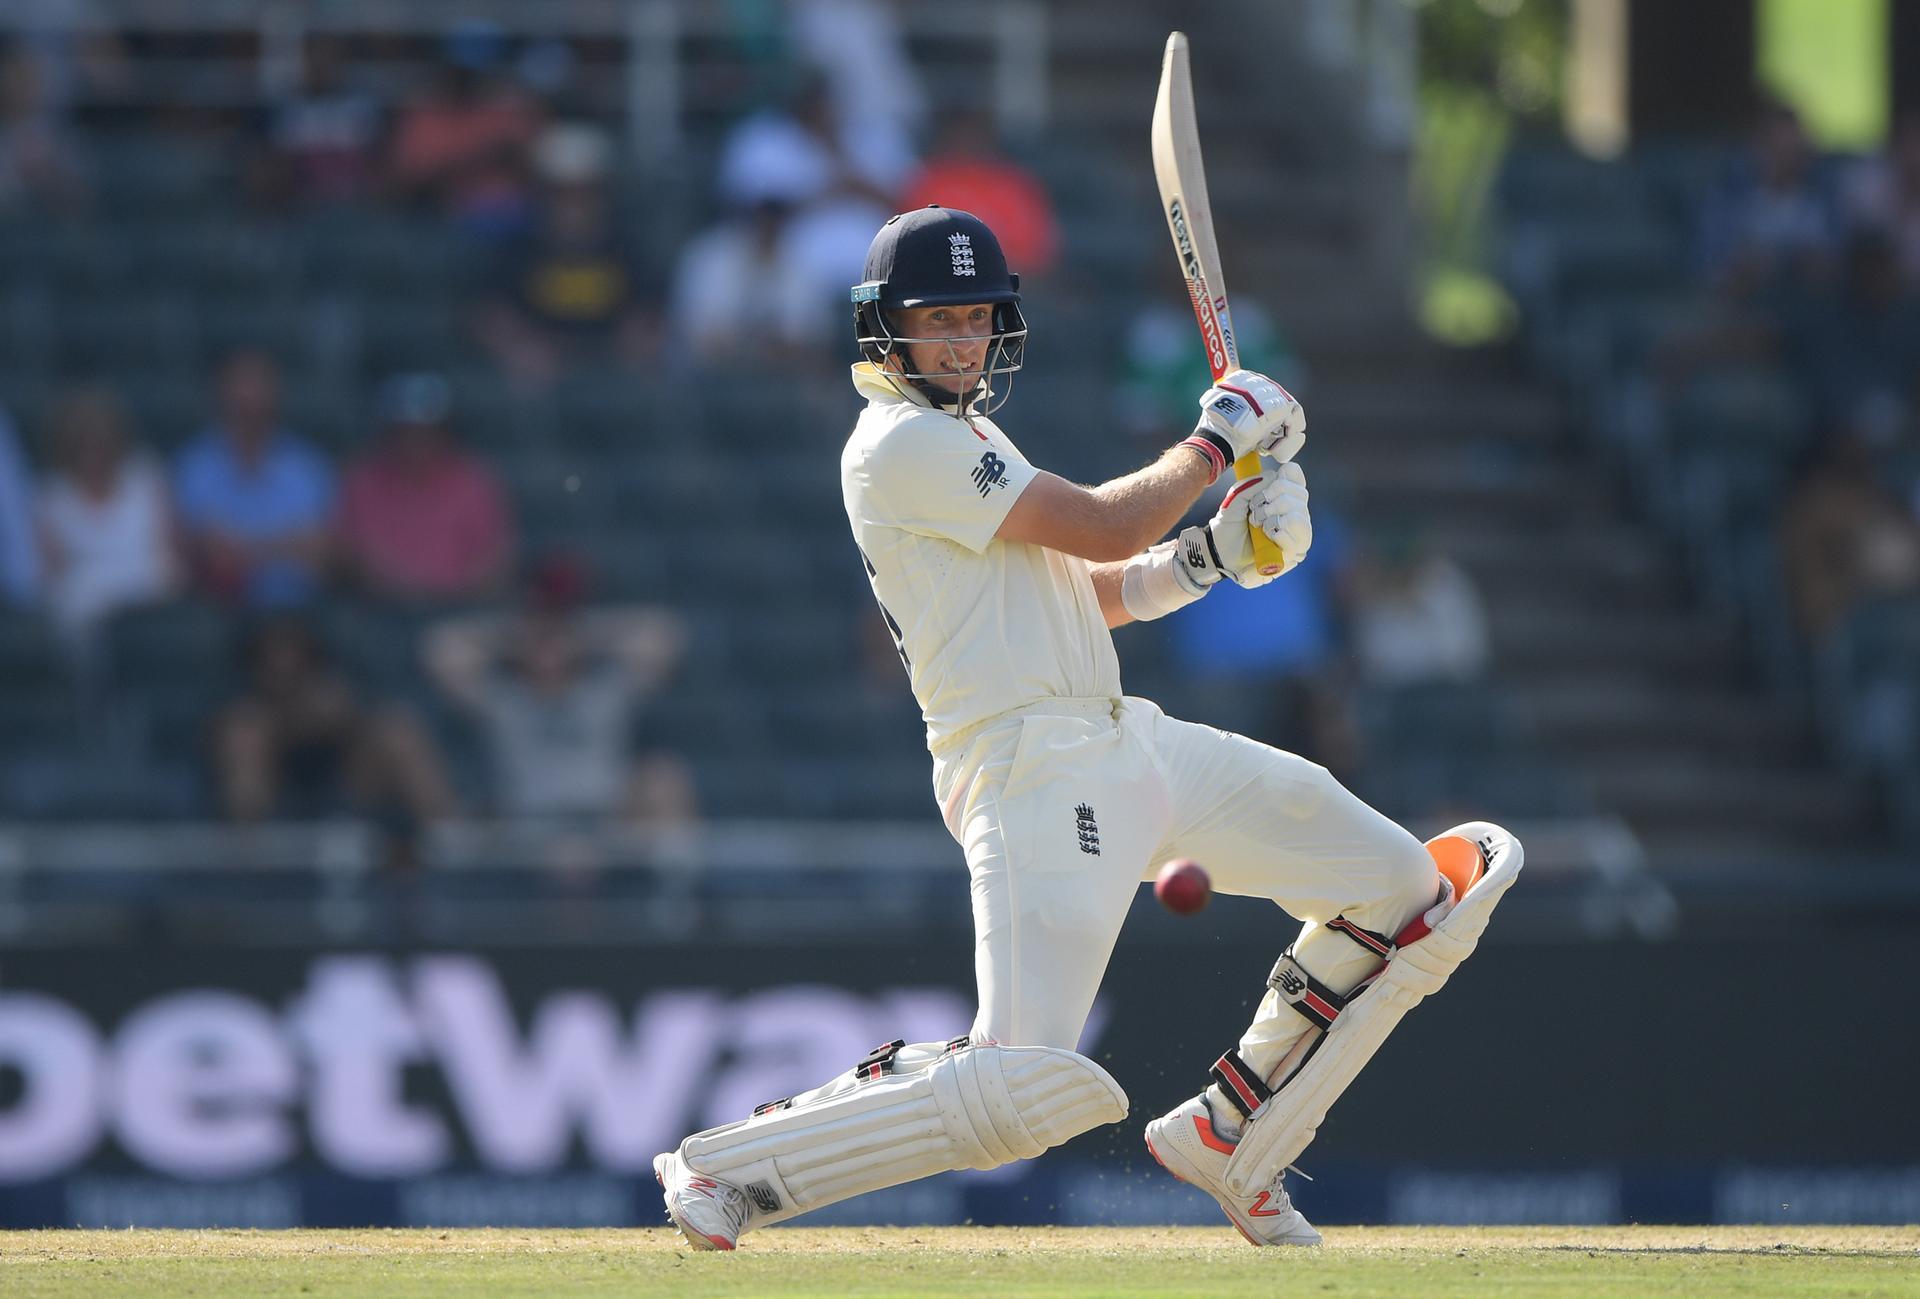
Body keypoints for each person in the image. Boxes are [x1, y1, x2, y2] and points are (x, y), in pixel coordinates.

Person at [652, 206, 1525, 1249]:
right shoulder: (897, 446)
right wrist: (1215, 442)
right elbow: (1109, 521)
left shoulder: (968, 431)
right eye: (941, 320)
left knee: (1409, 892)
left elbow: (1081, 591)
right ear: (885, 327)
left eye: (978, 319)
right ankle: (725, 1169)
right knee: (1023, 1088)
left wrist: (1212, 559)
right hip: (1026, 770)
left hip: (1123, 738)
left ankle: (1234, 1132)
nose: (965, 340)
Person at [421, 558, 696, 825]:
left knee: (664, 777)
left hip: (604, 824)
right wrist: (520, 635)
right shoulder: (503, 698)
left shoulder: (603, 691)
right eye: (541, 624)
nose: (549, 642)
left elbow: (665, 634)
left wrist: (578, 633)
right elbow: (442, 646)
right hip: (529, 825)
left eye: (558, 626)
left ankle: (681, 873)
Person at [213, 614, 457, 830]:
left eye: (292, 655)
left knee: (398, 730)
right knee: (244, 736)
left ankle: (453, 842)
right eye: (273, 658)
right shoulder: (242, 714)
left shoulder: (338, 696)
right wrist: (288, 723)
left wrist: (339, 720)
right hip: (276, 802)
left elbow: (364, 724)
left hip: (347, 790)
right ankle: (251, 863)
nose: (283, 665)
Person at [172, 349, 334, 606]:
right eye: (239, 384)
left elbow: (318, 554)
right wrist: (284, 547)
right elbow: (213, 556)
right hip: (220, 610)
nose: (249, 398)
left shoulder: (307, 466)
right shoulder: (194, 466)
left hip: (299, 612)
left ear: (276, 393)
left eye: (258, 383)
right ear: (219, 393)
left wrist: (244, 550)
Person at [337, 372, 514, 601]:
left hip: (458, 611)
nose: (415, 441)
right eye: (406, 431)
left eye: (426, 432)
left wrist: (455, 598)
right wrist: (401, 590)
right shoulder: (362, 480)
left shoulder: (475, 481)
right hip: (380, 611)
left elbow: (495, 558)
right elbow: (348, 553)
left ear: (446, 432)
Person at [34, 385, 181, 646]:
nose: (94, 447)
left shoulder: (146, 479)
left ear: (117, 438)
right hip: (84, 624)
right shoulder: (51, 498)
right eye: (84, 438)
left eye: (101, 437)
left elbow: (169, 562)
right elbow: (54, 582)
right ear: (68, 442)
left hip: (149, 609)